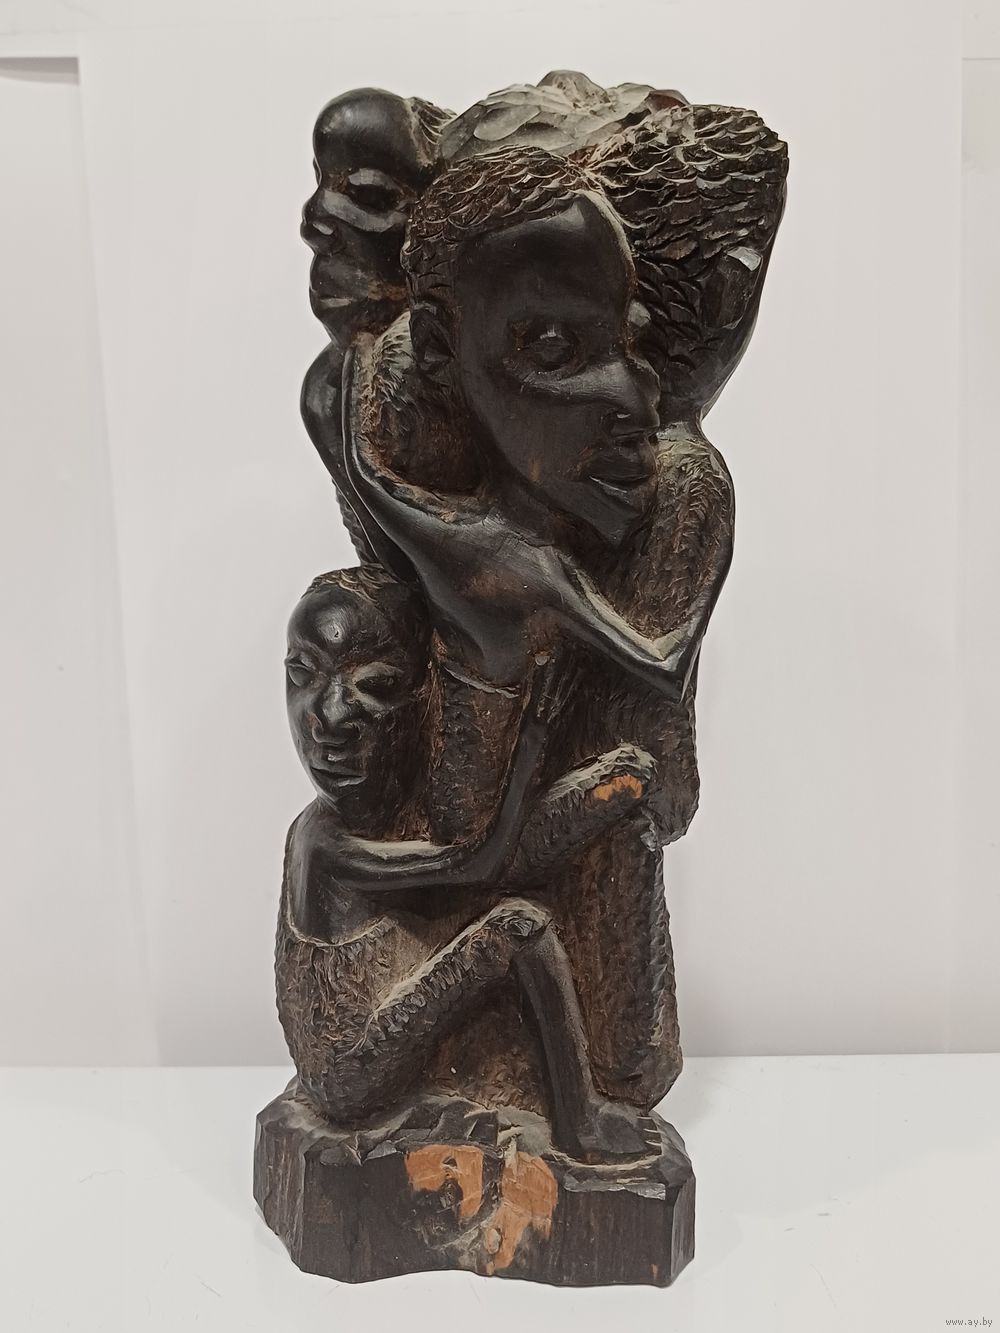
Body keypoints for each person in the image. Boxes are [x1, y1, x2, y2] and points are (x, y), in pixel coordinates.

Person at [276, 567, 660, 1160]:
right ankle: (580, 1120)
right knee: (519, 928)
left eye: (374, 685)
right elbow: (478, 863)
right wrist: (532, 737)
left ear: (423, 699)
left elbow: (476, 865)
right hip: (350, 1071)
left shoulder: (364, 825)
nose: (327, 719)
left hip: (366, 1044)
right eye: (302, 674)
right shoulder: (322, 845)